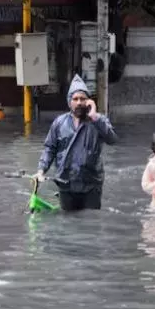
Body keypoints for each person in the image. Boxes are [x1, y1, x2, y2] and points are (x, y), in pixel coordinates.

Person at [35, 75, 118, 211]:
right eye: (75, 99)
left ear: (88, 101)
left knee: (90, 223)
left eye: (83, 99)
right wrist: (41, 170)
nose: (79, 102)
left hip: (91, 185)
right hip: (66, 184)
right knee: (68, 225)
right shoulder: (59, 123)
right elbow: (49, 149)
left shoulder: (98, 121)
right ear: (70, 102)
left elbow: (112, 139)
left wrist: (95, 117)